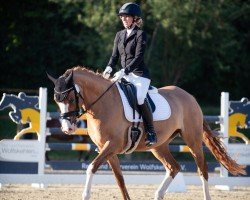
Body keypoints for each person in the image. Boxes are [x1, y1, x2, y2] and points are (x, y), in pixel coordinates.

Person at [103, 2, 157, 146]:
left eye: (127, 17)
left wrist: (124, 70)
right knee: (111, 94)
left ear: (134, 18)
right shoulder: (119, 35)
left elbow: (138, 57)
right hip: (123, 75)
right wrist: (109, 67)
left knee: (139, 98)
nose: (124, 19)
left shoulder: (141, 34)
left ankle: (151, 132)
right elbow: (114, 56)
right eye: (122, 17)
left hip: (139, 75)